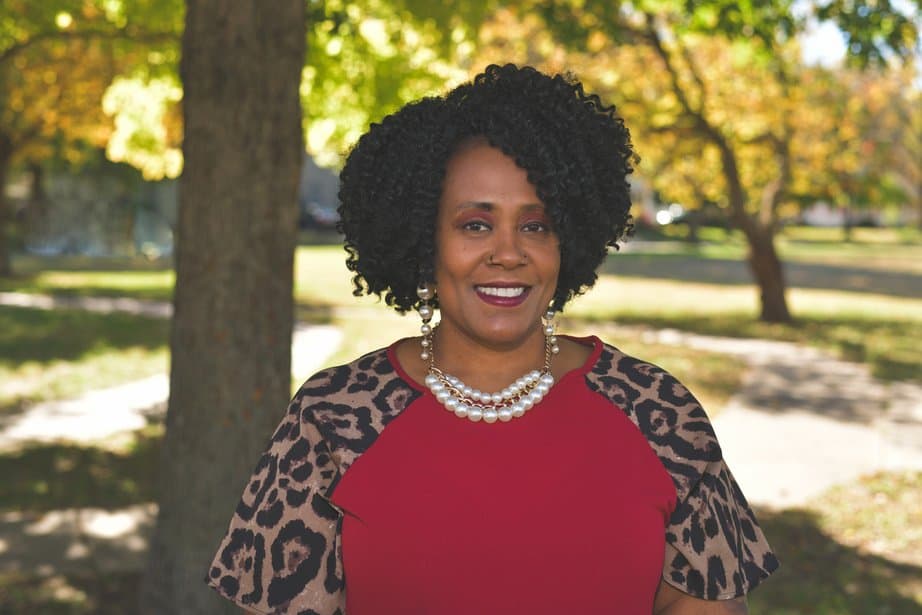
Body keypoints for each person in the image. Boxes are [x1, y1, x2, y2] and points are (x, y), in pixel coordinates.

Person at [205, 63, 778, 614]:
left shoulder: (659, 412)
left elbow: (704, 602)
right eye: (475, 224)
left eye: (535, 225)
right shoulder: (330, 418)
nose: (508, 253)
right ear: (424, 243)